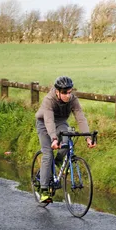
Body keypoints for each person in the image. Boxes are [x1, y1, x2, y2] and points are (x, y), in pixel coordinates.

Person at [35, 75, 96, 203]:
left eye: (70, 92)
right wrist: (53, 138)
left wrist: (87, 138)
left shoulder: (73, 99)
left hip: (61, 122)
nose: (68, 95)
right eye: (64, 93)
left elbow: (80, 118)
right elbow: (49, 120)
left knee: (68, 139)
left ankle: (58, 161)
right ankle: (44, 190)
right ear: (57, 92)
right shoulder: (49, 100)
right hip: (44, 123)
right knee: (48, 154)